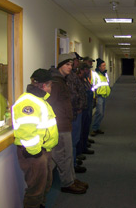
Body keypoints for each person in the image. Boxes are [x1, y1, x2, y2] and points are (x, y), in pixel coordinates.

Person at [12, 68, 59, 208]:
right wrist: (36, 152)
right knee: (35, 190)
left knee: (45, 184)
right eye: (50, 85)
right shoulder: (28, 102)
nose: (51, 88)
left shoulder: (39, 100)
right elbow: (27, 131)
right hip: (34, 154)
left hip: (43, 151)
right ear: (44, 85)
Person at [47, 54, 88, 194]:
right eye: (67, 64)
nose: (70, 67)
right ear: (60, 65)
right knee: (63, 155)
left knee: (68, 154)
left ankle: (72, 178)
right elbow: (49, 105)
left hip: (66, 123)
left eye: (71, 64)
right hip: (60, 125)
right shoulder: (56, 83)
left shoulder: (62, 80)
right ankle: (67, 183)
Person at [66, 52, 88, 173]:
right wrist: (78, 106)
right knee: (73, 139)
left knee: (75, 139)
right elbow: (73, 95)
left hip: (78, 111)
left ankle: (74, 160)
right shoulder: (69, 76)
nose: (77, 63)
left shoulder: (73, 74)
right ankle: (72, 165)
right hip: (74, 112)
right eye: (75, 61)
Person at [76, 62, 95, 158]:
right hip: (81, 109)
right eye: (87, 69)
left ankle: (83, 147)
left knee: (85, 128)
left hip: (87, 107)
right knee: (80, 131)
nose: (89, 71)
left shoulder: (85, 79)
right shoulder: (77, 80)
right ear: (82, 70)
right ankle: (79, 151)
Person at [90, 58, 111, 136]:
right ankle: (94, 128)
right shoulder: (95, 75)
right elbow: (92, 86)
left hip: (104, 96)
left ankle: (97, 127)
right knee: (99, 113)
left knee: (101, 114)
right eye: (103, 66)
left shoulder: (105, 74)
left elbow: (107, 83)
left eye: (105, 66)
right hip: (98, 96)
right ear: (99, 67)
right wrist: (94, 96)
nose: (104, 67)